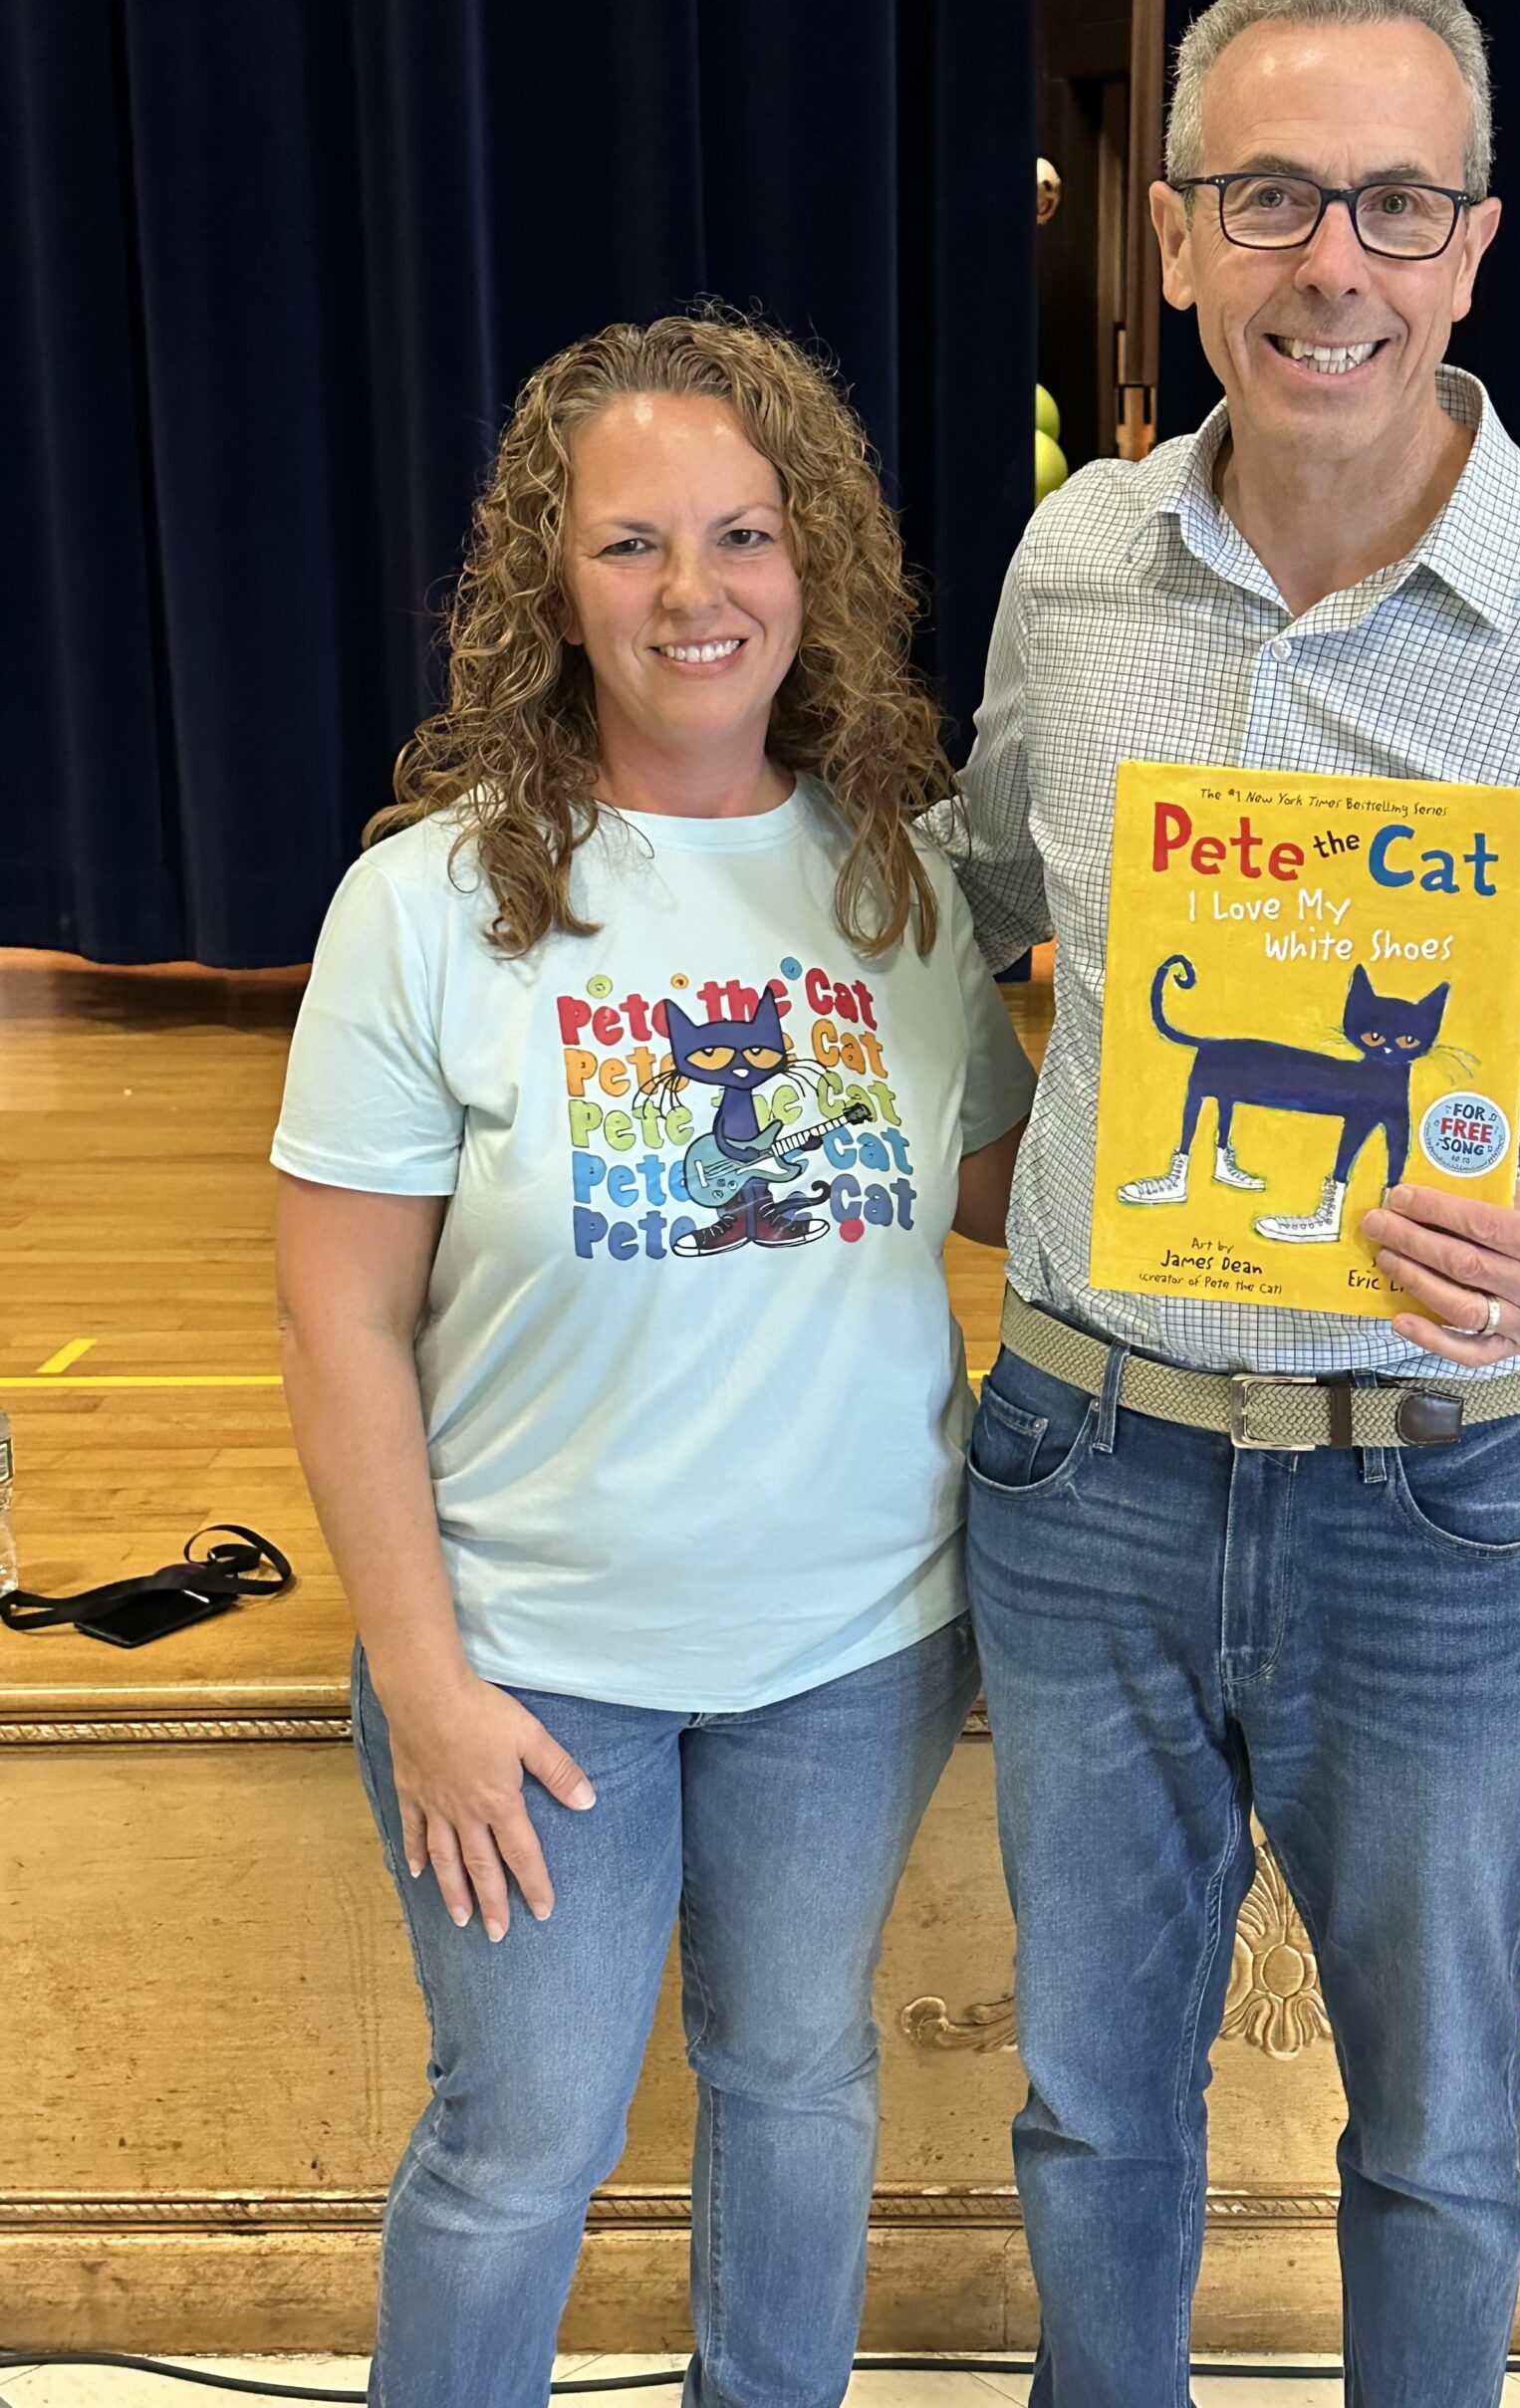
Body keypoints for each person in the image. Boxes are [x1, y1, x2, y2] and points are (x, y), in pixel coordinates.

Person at [948, 0, 1520, 2408]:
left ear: (1474, 243)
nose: (1332, 261)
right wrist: (983, 1138)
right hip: (1084, 1464)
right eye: (1270, 196)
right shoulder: (1072, 568)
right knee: (1090, 2108)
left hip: (1443, 1495)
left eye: (1394, 203)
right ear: (1174, 231)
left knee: (1435, 2131)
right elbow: (971, 890)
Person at [273, 313, 1034, 2408]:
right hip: (532, 1665)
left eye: (743, 534)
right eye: (630, 543)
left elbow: (996, 1179)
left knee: (794, 2074)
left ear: (816, 567)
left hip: (857, 1643)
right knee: (521, 2142)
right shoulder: (423, 907)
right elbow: (338, 1317)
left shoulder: (898, 877)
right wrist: (428, 1682)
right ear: (552, 585)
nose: (694, 591)